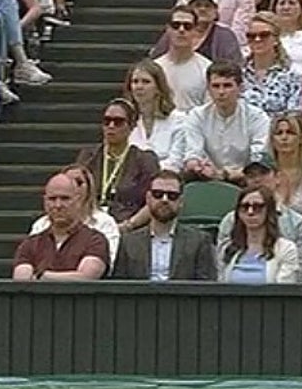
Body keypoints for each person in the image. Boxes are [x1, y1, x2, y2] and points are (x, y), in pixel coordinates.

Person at [112, 169, 217, 280]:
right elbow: (119, 287)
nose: (164, 200)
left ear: (181, 201)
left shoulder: (199, 241)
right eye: (158, 194)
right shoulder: (128, 242)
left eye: (172, 195)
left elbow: (207, 288)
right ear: (148, 198)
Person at [180, 60, 270, 183]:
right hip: (206, 179)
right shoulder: (197, 115)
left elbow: (259, 159)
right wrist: (197, 166)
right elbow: (193, 152)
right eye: (216, 86)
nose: (221, 92)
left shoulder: (257, 117)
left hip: (246, 180)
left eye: (227, 85)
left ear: (240, 88)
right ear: (208, 89)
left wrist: (228, 174)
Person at [76, 98, 159, 226]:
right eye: (107, 121)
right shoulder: (89, 156)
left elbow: (154, 200)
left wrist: (129, 225)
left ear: (131, 126)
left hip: (128, 225)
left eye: (118, 122)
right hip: (90, 224)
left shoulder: (144, 159)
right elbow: (75, 192)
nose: (111, 126)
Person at [12, 171, 110, 281]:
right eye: (52, 199)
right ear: (45, 202)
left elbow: (86, 278)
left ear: (78, 201)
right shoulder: (30, 244)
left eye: (65, 198)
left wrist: (41, 276)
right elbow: (21, 281)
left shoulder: (95, 240)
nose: (58, 205)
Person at [218, 185, 300, 284]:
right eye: (245, 207)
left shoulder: (286, 249)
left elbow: (284, 290)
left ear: (269, 210)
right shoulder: (228, 248)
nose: (250, 212)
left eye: (257, 207)